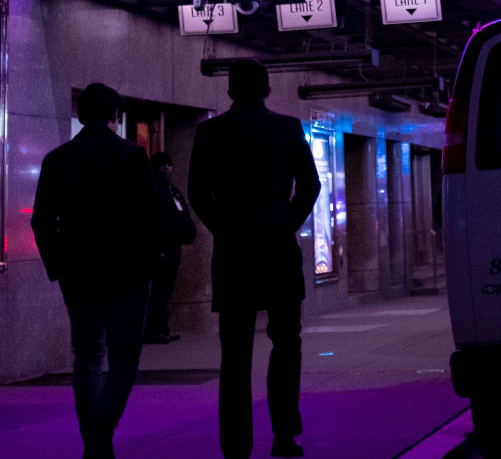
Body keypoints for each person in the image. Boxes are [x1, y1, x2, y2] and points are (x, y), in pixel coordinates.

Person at [188, 61, 320, 459]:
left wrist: (223, 227)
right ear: (266, 89)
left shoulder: (210, 132)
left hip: (234, 253)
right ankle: (283, 435)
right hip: (278, 249)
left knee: (235, 352)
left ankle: (235, 443)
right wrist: (287, 223)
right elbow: (310, 185)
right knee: (286, 343)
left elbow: (197, 192)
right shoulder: (287, 129)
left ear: (230, 92)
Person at [32, 84, 162, 459]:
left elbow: (42, 221)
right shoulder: (132, 157)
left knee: (87, 354)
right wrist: (150, 266)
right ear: (115, 116)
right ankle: (101, 433)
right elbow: (150, 218)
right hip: (129, 270)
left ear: (80, 114)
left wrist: (56, 267)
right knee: (125, 359)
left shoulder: (57, 160)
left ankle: (94, 438)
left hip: (77, 269)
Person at [144, 152, 196, 344]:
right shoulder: (157, 189)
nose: (166, 168)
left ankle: (161, 327)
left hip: (172, 245)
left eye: (168, 165)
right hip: (162, 245)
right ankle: (154, 329)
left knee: (165, 288)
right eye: (162, 165)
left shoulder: (171, 189)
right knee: (159, 288)